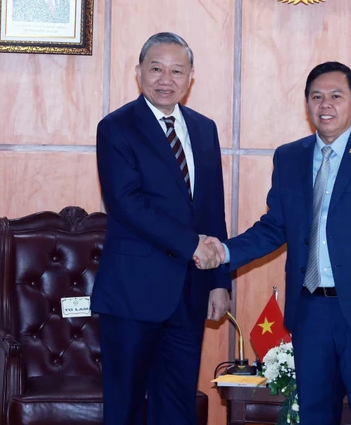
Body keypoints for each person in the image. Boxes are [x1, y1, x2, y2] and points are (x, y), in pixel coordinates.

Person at [202, 61, 351, 425]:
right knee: (314, 416)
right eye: (316, 97)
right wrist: (224, 251)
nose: (325, 105)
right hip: (310, 314)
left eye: (336, 96)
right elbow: (274, 227)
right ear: (307, 105)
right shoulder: (289, 157)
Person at [92, 32, 230, 424]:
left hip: (189, 294)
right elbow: (126, 202)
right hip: (132, 294)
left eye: (176, 70)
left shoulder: (205, 129)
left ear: (190, 78)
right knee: (126, 407)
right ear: (139, 73)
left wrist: (220, 279)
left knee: (177, 407)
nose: (165, 79)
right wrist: (191, 245)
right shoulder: (116, 127)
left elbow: (212, 210)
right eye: (155, 69)